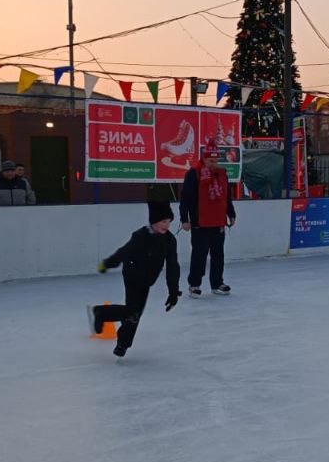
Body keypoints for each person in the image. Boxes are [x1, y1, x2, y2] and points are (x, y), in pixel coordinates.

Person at [88, 201, 182, 358]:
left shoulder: (169, 241)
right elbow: (124, 251)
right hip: (132, 274)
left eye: (169, 222)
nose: (167, 225)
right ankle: (119, 339)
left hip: (147, 280)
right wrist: (108, 263)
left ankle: (107, 320)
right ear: (154, 221)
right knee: (133, 312)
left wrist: (173, 292)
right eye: (163, 221)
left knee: (135, 312)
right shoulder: (140, 236)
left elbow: (173, 266)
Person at [179, 140, 236, 297]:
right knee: (199, 255)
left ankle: (217, 283)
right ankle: (194, 284)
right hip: (200, 222)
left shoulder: (222, 173)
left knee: (218, 255)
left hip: (218, 221)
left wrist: (231, 213)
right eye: (211, 161)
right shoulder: (193, 174)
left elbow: (226, 196)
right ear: (204, 158)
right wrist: (184, 219)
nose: (213, 164)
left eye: (216, 161)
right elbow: (185, 198)